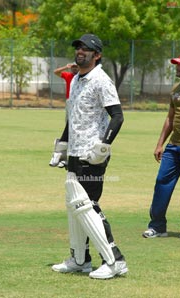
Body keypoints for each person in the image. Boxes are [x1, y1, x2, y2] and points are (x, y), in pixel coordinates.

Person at [49, 33, 128, 279]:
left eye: (86, 49)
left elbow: (117, 116)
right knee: (75, 207)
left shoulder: (101, 80)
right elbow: (72, 118)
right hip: (74, 152)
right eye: (78, 47)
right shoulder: (76, 80)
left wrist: (102, 148)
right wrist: (62, 147)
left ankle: (115, 261)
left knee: (87, 206)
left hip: (92, 154)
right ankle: (80, 259)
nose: (80, 51)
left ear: (97, 55)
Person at [143, 52, 180, 240]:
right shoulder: (176, 89)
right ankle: (157, 226)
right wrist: (160, 144)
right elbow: (170, 118)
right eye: (176, 64)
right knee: (162, 183)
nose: (177, 67)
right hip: (174, 146)